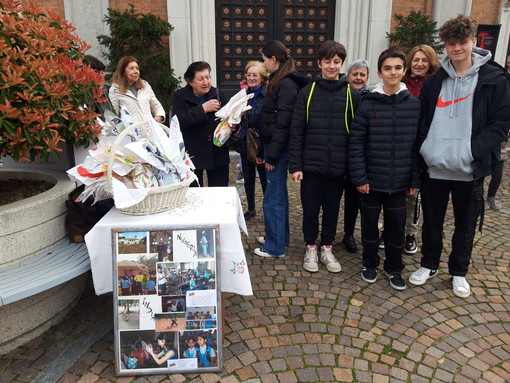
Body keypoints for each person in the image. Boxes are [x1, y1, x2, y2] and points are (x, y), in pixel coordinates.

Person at [409, 14, 510, 298]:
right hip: (436, 166)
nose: (457, 49)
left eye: (462, 42)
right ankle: (428, 265)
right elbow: (423, 121)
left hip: (470, 167)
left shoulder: (493, 78)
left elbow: (501, 124)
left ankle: (458, 272)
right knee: (432, 221)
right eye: (451, 43)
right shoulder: (434, 81)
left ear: (473, 41)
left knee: (465, 226)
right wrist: (426, 149)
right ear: (445, 45)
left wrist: (471, 150)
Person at [349, 47, 420, 291]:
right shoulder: (367, 104)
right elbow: (356, 142)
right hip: (371, 179)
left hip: (400, 180)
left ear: (404, 71)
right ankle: (369, 263)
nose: (392, 72)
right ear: (379, 72)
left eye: (397, 68)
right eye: (387, 68)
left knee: (396, 228)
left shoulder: (413, 105)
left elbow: (416, 146)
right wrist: (360, 176)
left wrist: (414, 178)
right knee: (369, 226)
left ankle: (394, 267)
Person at [289, 40, 359, 273]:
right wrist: (295, 165)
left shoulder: (351, 94)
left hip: (338, 167)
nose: (331, 66)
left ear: (342, 64)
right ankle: (311, 247)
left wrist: (353, 167)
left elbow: (357, 133)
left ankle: (326, 247)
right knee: (310, 210)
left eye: (336, 62)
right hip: (311, 167)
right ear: (319, 63)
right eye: (327, 61)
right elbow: (296, 130)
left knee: (332, 210)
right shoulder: (306, 93)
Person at [254, 40, 309, 258]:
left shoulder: (286, 84)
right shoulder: (282, 80)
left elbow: (283, 123)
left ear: (273, 59)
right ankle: (278, 236)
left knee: (273, 196)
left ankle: (275, 246)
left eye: (264, 59)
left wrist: (272, 155)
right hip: (275, 145)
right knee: (278, 194)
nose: (262, 63)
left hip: (278, 147)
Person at [401, 45, 440, 255]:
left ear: (430, 63)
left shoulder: (436, 85)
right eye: (416, 60)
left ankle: (410, 233)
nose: (419, 64)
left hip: (425, 144)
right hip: (403, 144)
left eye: (424, 60)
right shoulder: (402, 83)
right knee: (395, 192)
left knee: (413, 195)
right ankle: (389, 229)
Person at [172, 61, 229, 187]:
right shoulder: (180, 96)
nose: (206, 82)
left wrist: (233, 124)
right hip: (192, 154)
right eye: (201, 78)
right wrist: (202, 109)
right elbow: (177, 122)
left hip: (217, 153)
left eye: (208, 77)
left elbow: (227, 120)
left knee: (218, 194)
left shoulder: (219, 94)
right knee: (193, 195)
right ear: (190, 81)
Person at [343, 59, 371, 253]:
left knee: (363, 199)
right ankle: (348, 234)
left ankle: (368, 236)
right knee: (349, 199)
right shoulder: (342, 95)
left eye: (362, 74)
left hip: (365, 156)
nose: (358, 78)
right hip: (343, 154)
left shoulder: (372, 98)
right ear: (348, 77)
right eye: (355, 74)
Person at [237, 61, 268, 220]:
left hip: (261, 142)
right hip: (245, 141)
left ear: (262, 77)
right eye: (248, 75)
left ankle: (267, 210)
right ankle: (250, 209)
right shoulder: (243, 94)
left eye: (255, 75)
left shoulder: (268, 94)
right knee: (248, 178)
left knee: (264, 180)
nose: (251, 78)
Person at [109, 56, 165, 125]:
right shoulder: (115, 90)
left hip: (150, 132)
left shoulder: (146, 86)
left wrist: (159, 116)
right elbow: (113, 116)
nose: (136, 72)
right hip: (131, 133)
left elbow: (156, 105)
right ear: (123, 72)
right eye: (131, 68)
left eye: (137, 68)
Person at [486, 139, 508, 210]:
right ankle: (478, 199)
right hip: (485, 144)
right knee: (480, 174)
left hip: (501, 145)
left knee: (498, 175)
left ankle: (491, 198)